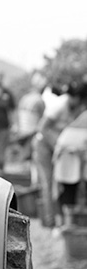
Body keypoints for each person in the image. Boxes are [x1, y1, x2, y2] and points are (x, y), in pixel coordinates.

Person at [32, 85, 84, 228]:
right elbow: (42, 128)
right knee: (48, 183)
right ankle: (50, 222)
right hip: (44, 146)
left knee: (58, 183)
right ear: (76, 98)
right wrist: (57, 145)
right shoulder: (60, 105)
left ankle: (61, 220)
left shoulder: (73, 108)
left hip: (56, 149)